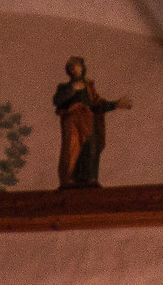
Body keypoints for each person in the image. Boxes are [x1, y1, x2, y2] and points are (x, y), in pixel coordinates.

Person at [53, 56, 132, 188]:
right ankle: (69, 179)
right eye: (71, 67)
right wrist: (72, 89)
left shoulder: (89, 87)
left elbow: (97, 104)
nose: (74, 69)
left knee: (91, 148)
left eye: (76, 66)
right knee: (72, 149)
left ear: (82, 68)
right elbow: (57, 101)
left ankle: (89, 179)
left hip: (89, 121)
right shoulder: (64, 86)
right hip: (73, 122)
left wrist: (115, 104)